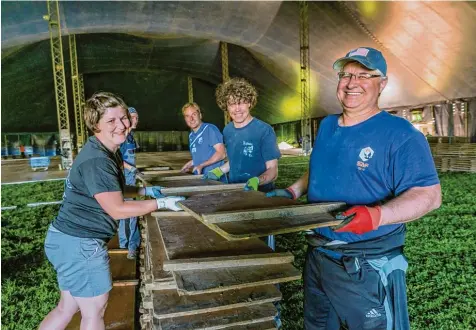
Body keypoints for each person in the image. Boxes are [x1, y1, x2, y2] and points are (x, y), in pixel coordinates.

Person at [267, 47, 441, 329]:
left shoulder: (401, 134)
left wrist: (377, 216)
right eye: (346, 74)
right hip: (320, 255)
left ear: (381, 83)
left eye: (364, 75)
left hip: (366, 264)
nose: (352, 83)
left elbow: (429, 195)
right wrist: (293, 191)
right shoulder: (326, 125)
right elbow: (319, 166)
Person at [39, 92, 184, 330]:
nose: (122, 125)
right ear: (95, 125)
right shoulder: (98, 160)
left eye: (124, 117)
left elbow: (110, 190)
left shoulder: (103, 150)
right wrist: (161, 204)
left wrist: (142, 190)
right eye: (111, 121)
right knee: (94, 312)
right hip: (81, 245)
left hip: (65, 240)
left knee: (68, 307)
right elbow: (117, 209)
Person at [204, 77, 281, 249]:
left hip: (260, 199)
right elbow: (234, 160)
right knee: (239, 243)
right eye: (232, 104)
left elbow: (273, 170)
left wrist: (256, 181)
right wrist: (218, 171)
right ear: (226, 106)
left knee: (262, 245)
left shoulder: (264, 130)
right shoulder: (228, 130)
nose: (237, 109)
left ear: (249, 103)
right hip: (236, 195)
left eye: (241, 102)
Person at [118, 107, 142, 259]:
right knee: (127, 214)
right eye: (132, 117)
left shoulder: (131, 136)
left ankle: (134, 242)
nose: (135, 120)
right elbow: (116, 160)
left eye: (137, 117)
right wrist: (132, 169)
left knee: (132, 213)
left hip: (131, 180)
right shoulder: (122, 137)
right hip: (125, 181)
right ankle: (127, 246)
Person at [180, 102, 226, 176]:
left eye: (194, 114)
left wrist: (201, 165)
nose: (191, 119)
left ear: (200, 115)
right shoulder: (191, 135)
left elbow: (221, 154)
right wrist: (192, 163)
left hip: (215, 179)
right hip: (201, 179)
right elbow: (203, 155)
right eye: (187, 116)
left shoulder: (209, 129)